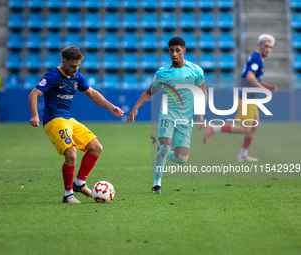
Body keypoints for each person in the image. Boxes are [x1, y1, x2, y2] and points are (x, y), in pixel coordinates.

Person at [28, 46, 124, 203]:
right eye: (72, 66)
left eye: (78, 66)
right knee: (71, 154)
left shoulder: (77, 77)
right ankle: (68, 194)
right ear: (63, 62)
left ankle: (79, 184)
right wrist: (34, 115)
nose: (75, 69)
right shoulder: (53, 76)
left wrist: (111, 107)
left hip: (68, 119)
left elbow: (92, 93)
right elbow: (33, 94)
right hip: (54, 119)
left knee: (96, 148)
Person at [127, 37, 207, 194]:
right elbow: (148, 93)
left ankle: (164, 153)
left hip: (185, 118)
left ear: (184, 51)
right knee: (165, 146)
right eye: (172, 51)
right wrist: (135, 107)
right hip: (167, 114)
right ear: (168, 51)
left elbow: (202, 92)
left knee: (182, 159)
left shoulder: (196, 70)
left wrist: (200, 113)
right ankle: (157, 183)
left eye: (178, 50)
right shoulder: (163, 72)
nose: (174, 54)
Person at [203, 34, 278, 161]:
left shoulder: (258, 58)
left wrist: (267, 86)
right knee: (245, 128)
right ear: (260, 45)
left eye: (270, 47)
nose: (268, 49)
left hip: (251, 97)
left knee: (256, 124)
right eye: (266, 46)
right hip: (246, 97)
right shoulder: (257, 58)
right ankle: (214, 128)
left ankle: (243, 153)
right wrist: (263, 89)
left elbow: (253, 77)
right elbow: (249, 76)